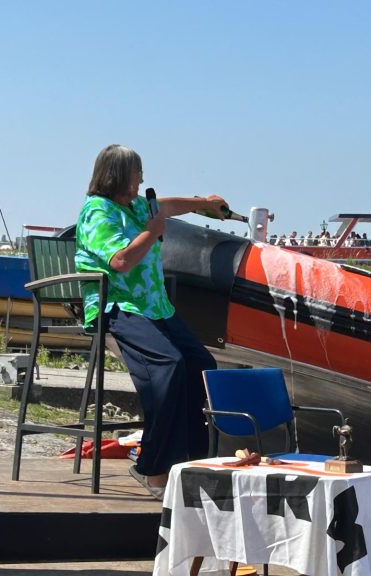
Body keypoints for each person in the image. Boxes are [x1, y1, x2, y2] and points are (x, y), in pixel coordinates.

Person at [75, 144, 226, 499]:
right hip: (116, 306)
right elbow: (121, 261)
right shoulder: (97, 212)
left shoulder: (138, 206)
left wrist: (204, 202)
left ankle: (190, 460)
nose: (142, 179)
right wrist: (153, 229)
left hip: (156, 307)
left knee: (202, 365)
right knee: (168, 365)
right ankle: (152, 466)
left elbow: (169, 205)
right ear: (117, 175)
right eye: (136, 173)